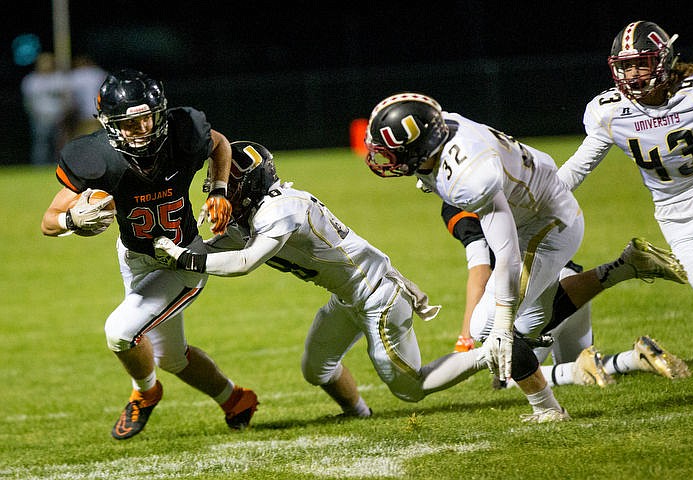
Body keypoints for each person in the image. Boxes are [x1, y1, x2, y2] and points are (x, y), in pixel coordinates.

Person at [153, 140, 572, 423]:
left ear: (253, 183)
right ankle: (358, 415)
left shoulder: (280, 211)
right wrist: (163, 248)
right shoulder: (253, 216)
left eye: (227, 184)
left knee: (411, 388)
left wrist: (182, 256)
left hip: (377, 298)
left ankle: (493, 352)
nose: (216, 189)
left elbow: (243, 263)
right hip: (350, 295)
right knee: (316, 368)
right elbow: (215, 249)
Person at [362, 92, 687, 396]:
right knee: (557, 359)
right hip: (545, 242)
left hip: (542, 238)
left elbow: (495, 261)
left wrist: (488, 331)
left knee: (494, 343)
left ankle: (623, 276)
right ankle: (628, 349)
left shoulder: (468, 183)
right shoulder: (448, 130)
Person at [40, 69, 258, 440]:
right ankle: (236, 399)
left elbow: (220, 143)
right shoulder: (95, 156)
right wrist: (72, 219)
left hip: (183, 259)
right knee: (172, 356)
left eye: (148, 118)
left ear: (160, 112)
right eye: (131, 122)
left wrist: (219, 189)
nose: (142, 128)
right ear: (109, 124)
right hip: (135, 257)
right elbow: (48, 221)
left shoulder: (183, 131)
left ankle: (145, 392)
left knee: (121, 332)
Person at [557, 21, 693, 319]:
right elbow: (580, 166)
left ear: (663, 60)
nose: (632, 75)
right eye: (626, 66)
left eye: (640, 65)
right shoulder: (608, 111)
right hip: (673, 217)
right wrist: (540, 197)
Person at [441, 201, 690, 387]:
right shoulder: (508, 172)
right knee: (580, 364)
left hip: (538, 295)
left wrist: (465, 340)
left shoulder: (460, 199)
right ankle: (637, 357)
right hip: (570, 282)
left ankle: (629, 357)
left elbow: (480, 270)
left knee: (510, 377)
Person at [20, 52, 73, 165]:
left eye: (48, 62)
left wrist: (64, 114)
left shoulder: (59, 78)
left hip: (58, 117)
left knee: (59, 144)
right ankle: (40, 167)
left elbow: (67, 98)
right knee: (41, 144)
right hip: (40, 118)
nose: (46, 65)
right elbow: (28, 102)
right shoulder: (31, 80)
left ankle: (60, 166)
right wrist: (36, 115)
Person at [68, 55, 107, 138]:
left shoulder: (76, 75)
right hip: (100, 113)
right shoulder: (99, 73)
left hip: (83, 115)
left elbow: (69, 95)